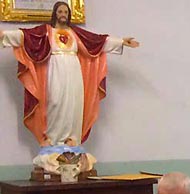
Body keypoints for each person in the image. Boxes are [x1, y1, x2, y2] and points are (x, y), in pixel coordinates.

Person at [0, 2, 139, 172]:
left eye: (66, 11)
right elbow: (25, 36)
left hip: (74, 74)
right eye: (60, 11)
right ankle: (54, 143)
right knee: (55, 103)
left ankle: (71, 142)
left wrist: (121, 41)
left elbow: (97, 41)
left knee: (74, 106)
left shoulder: (76, 33)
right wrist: (4, 35)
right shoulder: (46, 32)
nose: (63, 14)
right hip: (55, 71)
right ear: (55, 13)